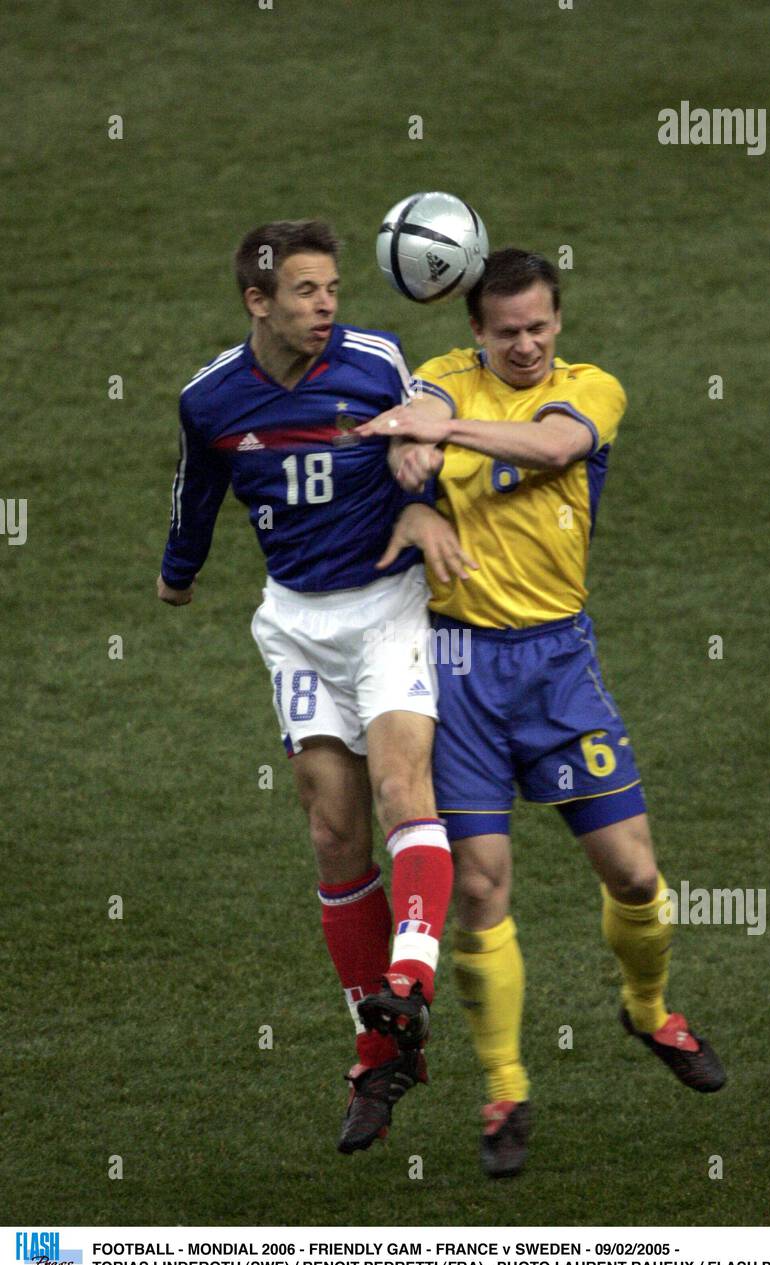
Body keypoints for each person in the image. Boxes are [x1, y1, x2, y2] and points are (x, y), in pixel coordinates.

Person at [359, 247, 726, 1178]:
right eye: (506, 331)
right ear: (474, 332)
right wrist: (414, 450)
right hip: (458, 671)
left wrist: (441, 440)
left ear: (556, 323)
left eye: (539, 327)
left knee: (635, 874)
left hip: (558, 664)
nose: (525, 345)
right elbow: (419, 429)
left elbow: (558, 447)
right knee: (480, 888)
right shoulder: (441, 380)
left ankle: (647, 1011)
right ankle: (505, 1090)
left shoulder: (589, 388)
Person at [157, 219, 471, 1155]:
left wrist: (420, 481)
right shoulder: (210, 400)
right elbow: (197, 492)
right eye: (305, 291)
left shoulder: (375, 362)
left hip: (388, 608)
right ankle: (387, 1057)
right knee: (333, 830)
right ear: (259, 302)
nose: (326, 304)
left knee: (399, 787)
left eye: (331, 287)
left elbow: (425, 441)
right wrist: (177, 573)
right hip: (294, 623)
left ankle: (406, 986)